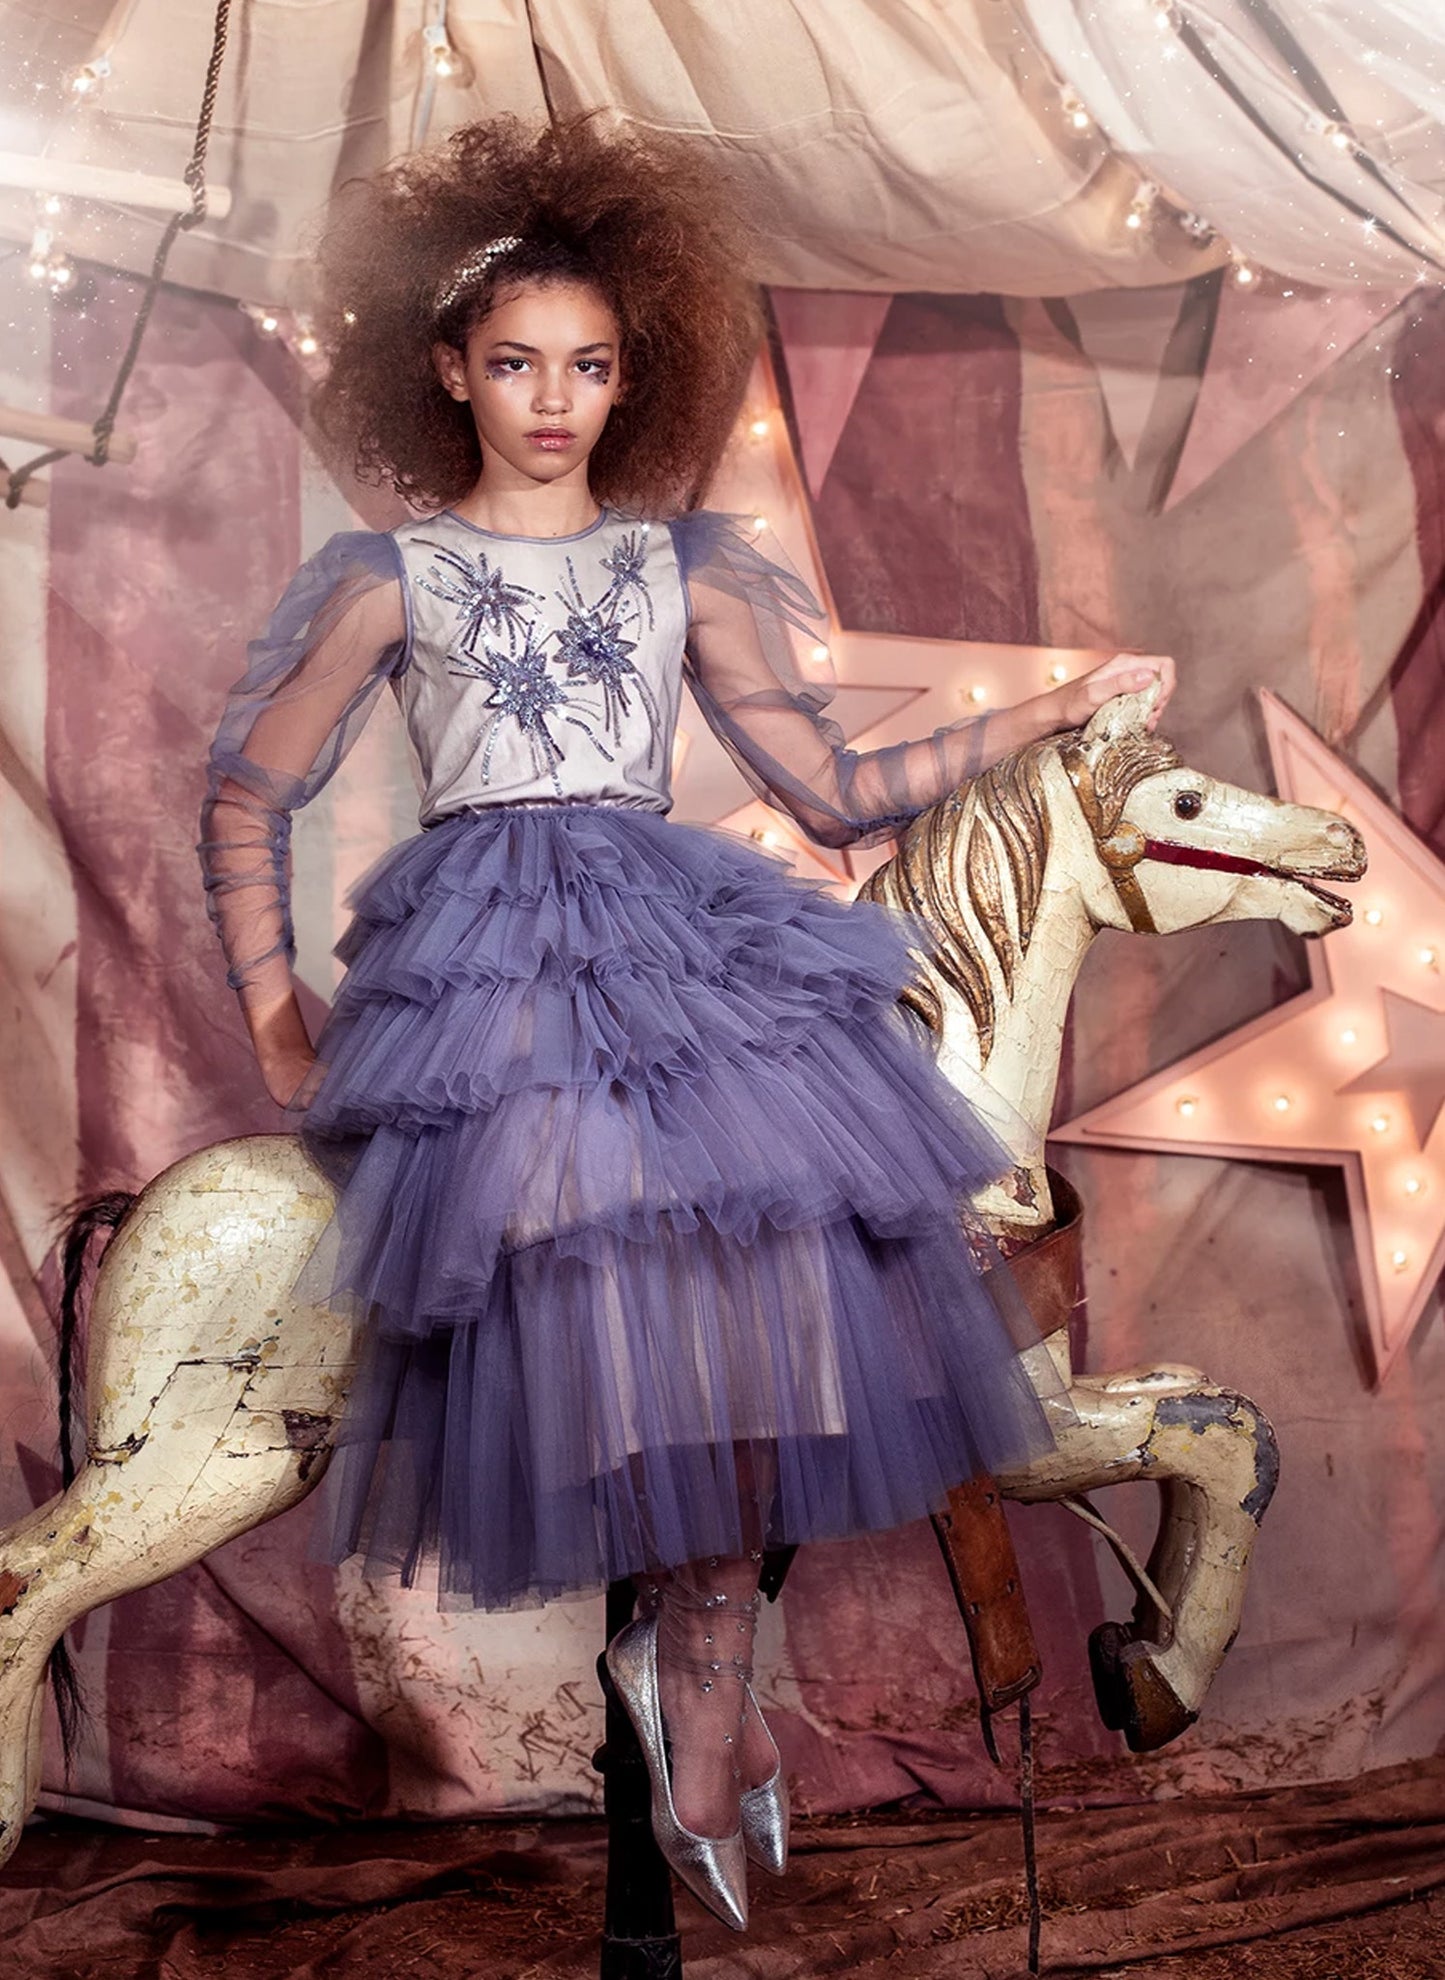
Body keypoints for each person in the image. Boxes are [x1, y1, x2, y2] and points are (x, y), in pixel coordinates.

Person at [198, 114, 1174, 1933]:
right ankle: (687, 1668)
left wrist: (1054, 713)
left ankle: (703, 1654)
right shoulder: (392, 579)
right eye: (515, 364)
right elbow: (249, 791)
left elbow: (831, 787)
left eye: (589, 366)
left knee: (774, 1276)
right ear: (447, 369)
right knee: (595, 1289)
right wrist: (271, 1003)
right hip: (490, 961)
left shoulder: (680, 569)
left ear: (630, 376)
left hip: (673, 939)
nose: (553, 401)